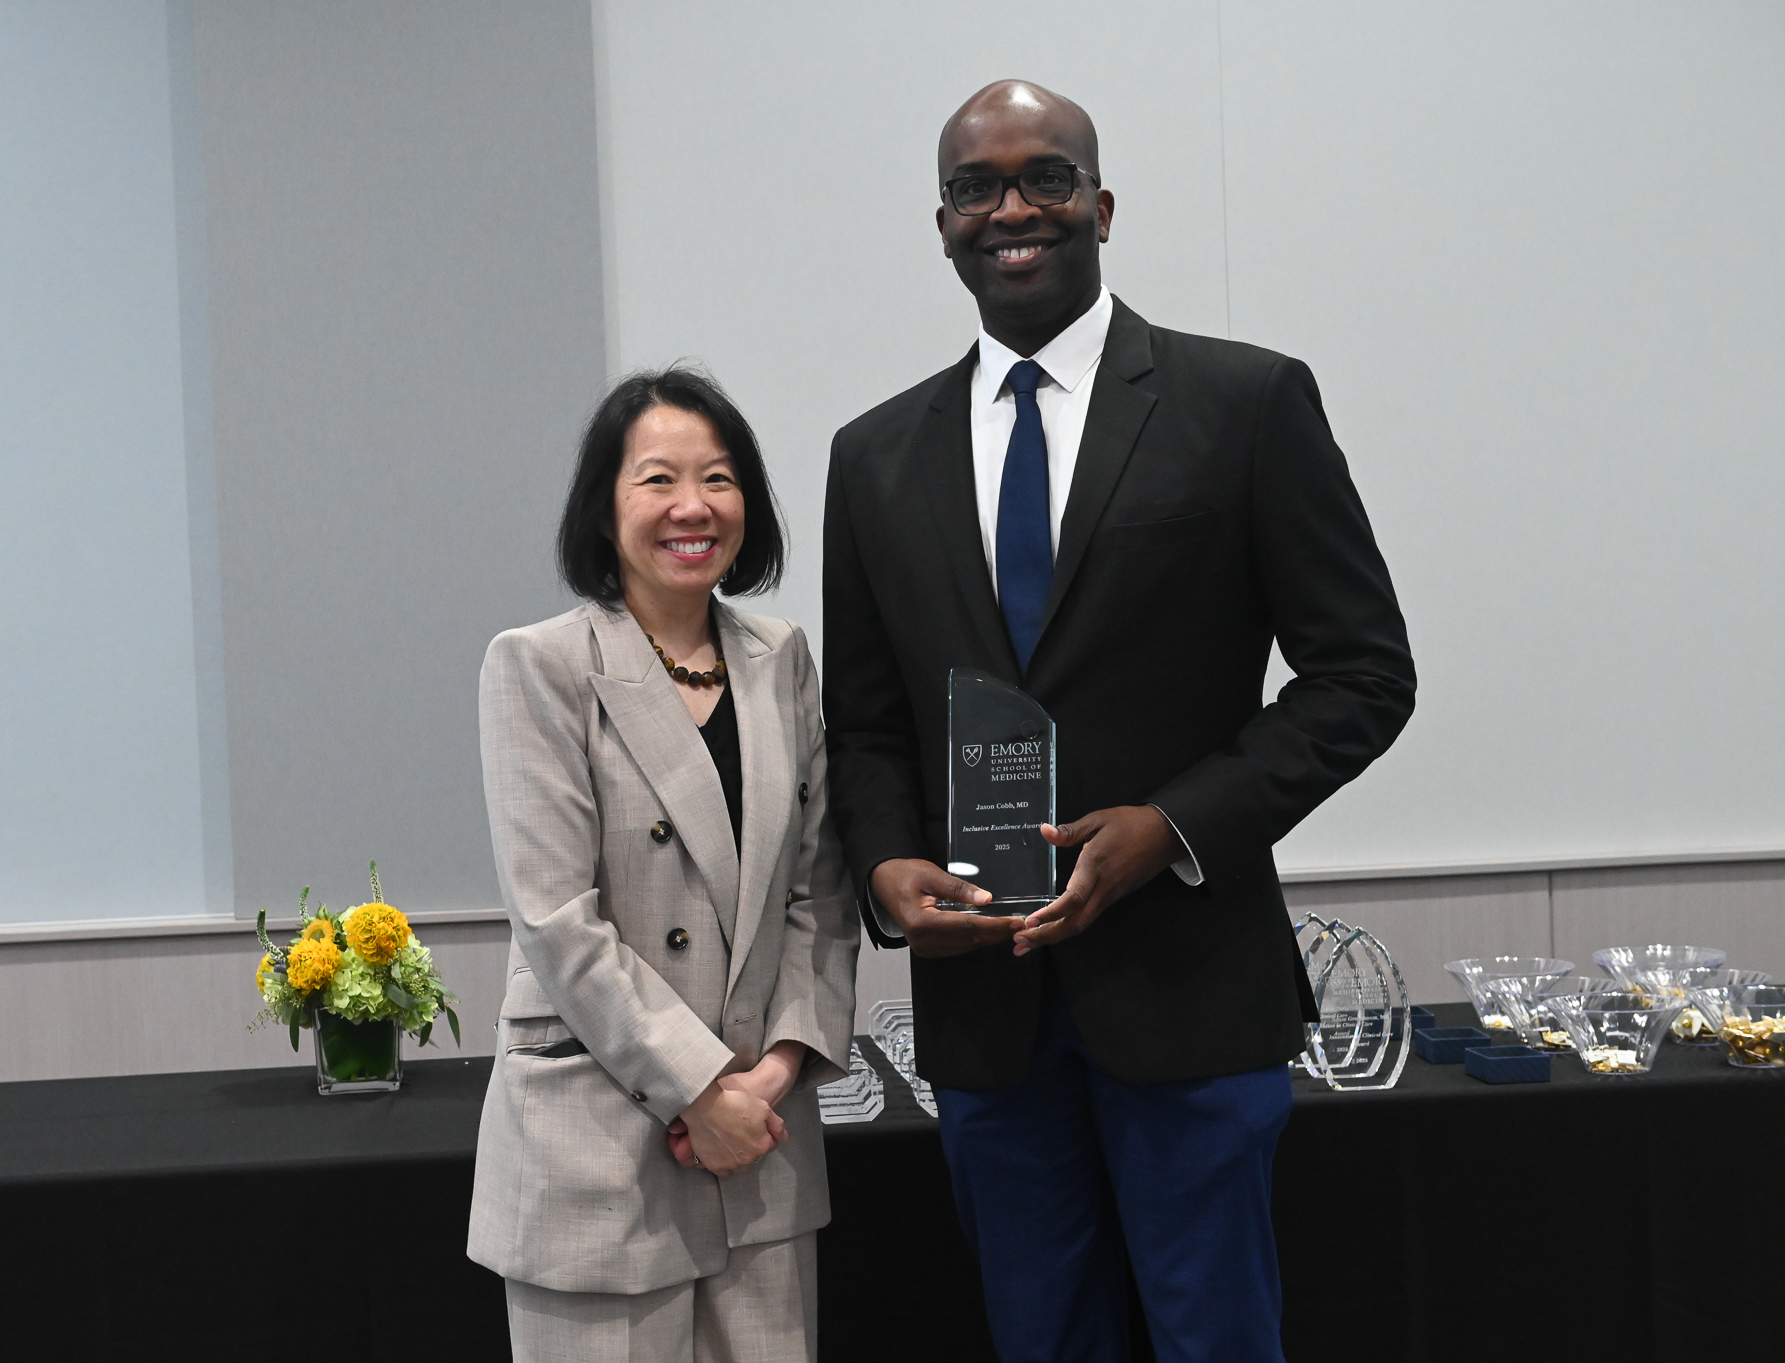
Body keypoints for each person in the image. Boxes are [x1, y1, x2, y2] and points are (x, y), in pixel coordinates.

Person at [823, 81, 1417, 1361]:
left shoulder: (1242, 404)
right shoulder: (871, 458)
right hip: (986, 1007)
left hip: (1189, 991)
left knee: (1214, 1341)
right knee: (1039, 1341)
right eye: (975, 188)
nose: (1010, 209)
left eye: (1043, 177)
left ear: (1100, 205)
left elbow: (1362, 675)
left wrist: (1172, 824)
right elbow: (863, 726)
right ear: (941, 225)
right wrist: (879, 866)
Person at [468, 367, 858, 1363]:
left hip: (759, 1146)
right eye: (656, 480)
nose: (693, 505)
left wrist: (768, 1078)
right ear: (604, 508)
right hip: (602, 1147)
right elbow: (557, 922)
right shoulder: (540, 664)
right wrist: (700, 1093)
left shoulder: (783, 659)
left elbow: (819, 891)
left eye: (718, 478)